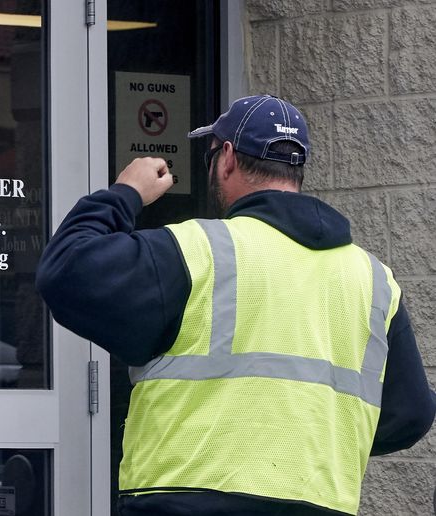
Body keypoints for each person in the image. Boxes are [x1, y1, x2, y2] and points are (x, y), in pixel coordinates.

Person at [36, 94, 436, 516]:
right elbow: (410, 414)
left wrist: (126, 192)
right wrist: (312, 435)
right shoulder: (373, 280)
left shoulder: (197, 252)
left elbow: (66, 269)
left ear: (225, 157)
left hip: (186, 502)